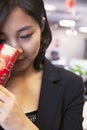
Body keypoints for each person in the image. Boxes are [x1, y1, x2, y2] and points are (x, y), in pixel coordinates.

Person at [0, 0, 84, 130]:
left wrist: (23, 126)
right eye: (2, 40)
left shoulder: (70, 85)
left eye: (25, 36)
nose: (16, 50)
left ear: (42, 25)